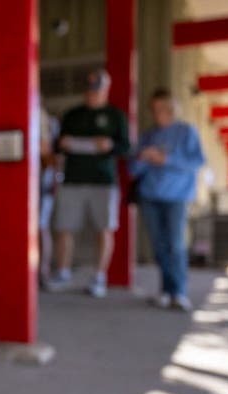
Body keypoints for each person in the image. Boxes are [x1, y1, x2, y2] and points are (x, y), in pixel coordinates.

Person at [50, 69, 130, 297]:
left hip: (103, 181)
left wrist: (110, 146)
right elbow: (57, 145)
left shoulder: (116, 116)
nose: (91, 95)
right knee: (64, 228)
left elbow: (126, 148)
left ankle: (98, 277)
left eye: (96, 91)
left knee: (104, 229)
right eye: (88, 90)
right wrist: (62, 143)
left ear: (105, 90)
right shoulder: (72, 115)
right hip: (73, 179)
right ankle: (63, 272)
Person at [131, 88, 206, 312]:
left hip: (177, 196)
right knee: (159, 245)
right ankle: (165, 290)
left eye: (161, 109)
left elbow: (197, 162)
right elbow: (133, 169)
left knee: (175, 243)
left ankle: (179, 292)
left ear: (172, 109)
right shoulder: (148, 136)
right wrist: (144, 158)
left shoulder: (186, 132)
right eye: (153, 110)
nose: (157, 114)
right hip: (150, 196)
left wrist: (166, 159)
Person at [39, 107, 61, 286]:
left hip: (43, 183)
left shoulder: (46, 120)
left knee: (42, 227)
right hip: (25, 182)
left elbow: (49, 152)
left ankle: (43, 271)